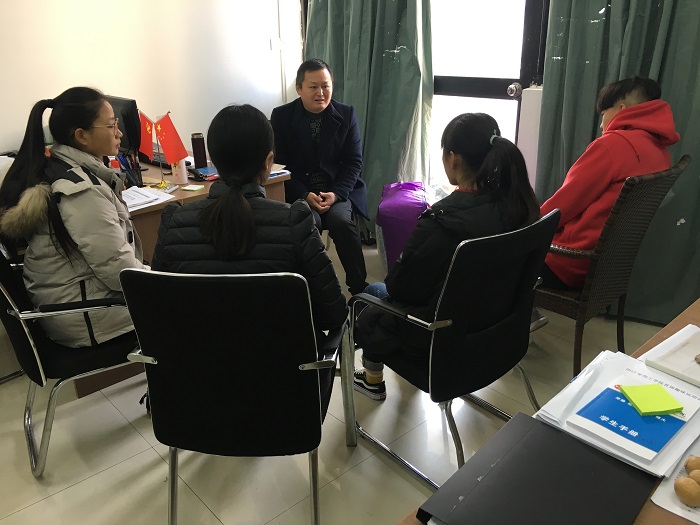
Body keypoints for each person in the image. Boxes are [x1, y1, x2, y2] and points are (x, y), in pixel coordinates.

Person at [151, 104, 348, 419]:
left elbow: (159, 314)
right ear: (268, 161)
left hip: (197, 397)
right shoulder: (295, 220)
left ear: (213, 161)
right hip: (285, 397)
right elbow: (334, 313)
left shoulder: (174, 221)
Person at [353, 113, 539, 400]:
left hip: (442, 345)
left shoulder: (442, 222)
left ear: (454, 159)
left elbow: (400, 289)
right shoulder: (519, 205)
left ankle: (371, 379)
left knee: (370, 294)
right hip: (500, 335)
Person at [0, 87, 148, 348]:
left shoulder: (60, 167)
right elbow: (118, 270)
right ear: (81, 135)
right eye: (111, 125)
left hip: (73, 304)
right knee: (193, 304)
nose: (119, 133)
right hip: (88, 318)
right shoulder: (82, 191)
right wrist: (162, 281)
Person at [531, 76, 680, 331]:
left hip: (568, 262)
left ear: (620, 109)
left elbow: (562, 206)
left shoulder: (612, 145)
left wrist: (525, 224)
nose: (601, 123)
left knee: (494, 252)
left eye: (603, 114)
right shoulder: (660, 151)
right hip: (608, 270)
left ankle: (509, 321)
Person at [270, 58, 369, 295]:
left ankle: (359, 289)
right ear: (299, 88)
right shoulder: (282, 116)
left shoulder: (346, 114)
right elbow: (278, 165)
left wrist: (336, 194)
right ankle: (313, 291)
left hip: (336, 189)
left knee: (342, 222)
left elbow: (353, 162)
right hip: (299, 189)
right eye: (313, 87)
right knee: (308, 224)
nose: (321, 93)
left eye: (326, 86)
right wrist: (303, 193)